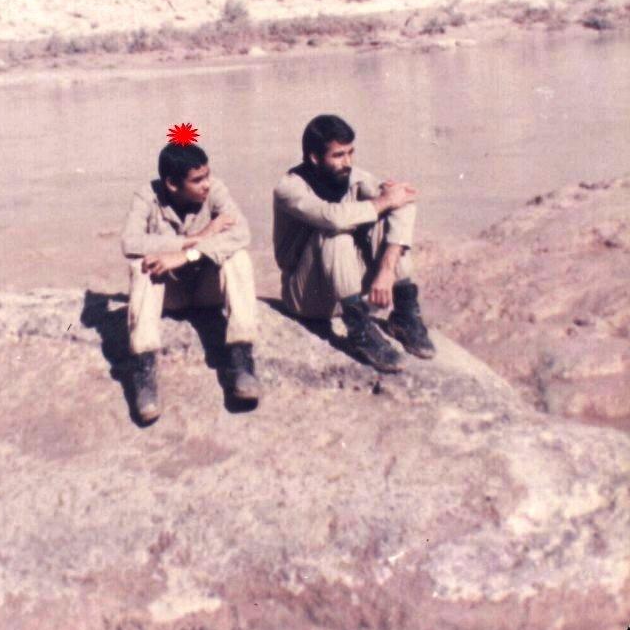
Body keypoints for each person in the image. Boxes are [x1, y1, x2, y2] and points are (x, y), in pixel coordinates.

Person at [272, 114, 435, 372]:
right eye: (338, 155)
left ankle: (404, 315)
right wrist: (383, 201)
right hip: (307, 295)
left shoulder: (354, 176)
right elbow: (332, 217)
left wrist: (386, 270)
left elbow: (403, 202)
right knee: (335, 232)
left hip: (347, 287)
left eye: (350, 153)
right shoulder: (289, 188)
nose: (347, 162)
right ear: (314, 157)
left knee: (394, 218)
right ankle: (359, 330)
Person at [122, 142, 260, 421]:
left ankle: (241, 357)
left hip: (207, 289)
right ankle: (144, 368)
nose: (207, 184)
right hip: (171, 293)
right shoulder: (147, 196)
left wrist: (187, 255)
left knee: (238, 257)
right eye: (197, 180)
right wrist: (193, 238)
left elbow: (242, 233)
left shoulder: (216, 190)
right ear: (172, 184)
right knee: (142, 265)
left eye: (207, 175)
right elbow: (130, 242)